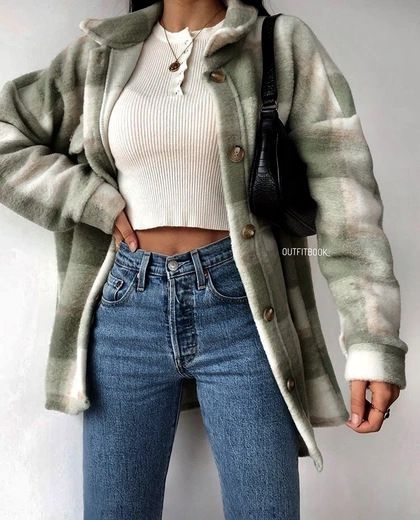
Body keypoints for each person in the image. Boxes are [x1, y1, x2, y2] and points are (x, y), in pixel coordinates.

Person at [0, 0, 407, 518]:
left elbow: (347, 199)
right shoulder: (100, 53)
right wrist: (88, 199)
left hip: (245, 310)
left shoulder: (279, 44)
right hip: (125, 309)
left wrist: (373, 342)